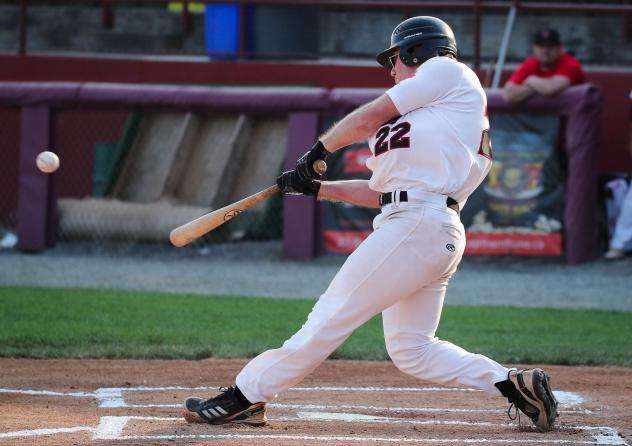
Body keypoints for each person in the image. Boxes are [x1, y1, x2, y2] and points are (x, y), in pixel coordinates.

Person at [183, 16, 559, 432]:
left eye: (395, 59)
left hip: (419, 225)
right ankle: (512, 385)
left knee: (330, 314)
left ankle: (245, 396)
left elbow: (370, 116)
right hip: (423, 227)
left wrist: (319, 148)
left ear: (417, 50)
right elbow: (381, 192)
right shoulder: (426, 119)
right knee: (412, 350)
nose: (392, 70)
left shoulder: (447, 71)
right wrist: (314, 187)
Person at [503, 28, 585, 104]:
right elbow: (508, 95)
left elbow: (551, 89)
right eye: (541, 46)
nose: (545, 51)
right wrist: (537, 87)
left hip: (571, 117)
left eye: (550, 46)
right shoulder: (530, 64)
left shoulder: (570, 63)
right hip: (541, 118)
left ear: (559, 48)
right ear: (534, 48)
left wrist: (530, 80)